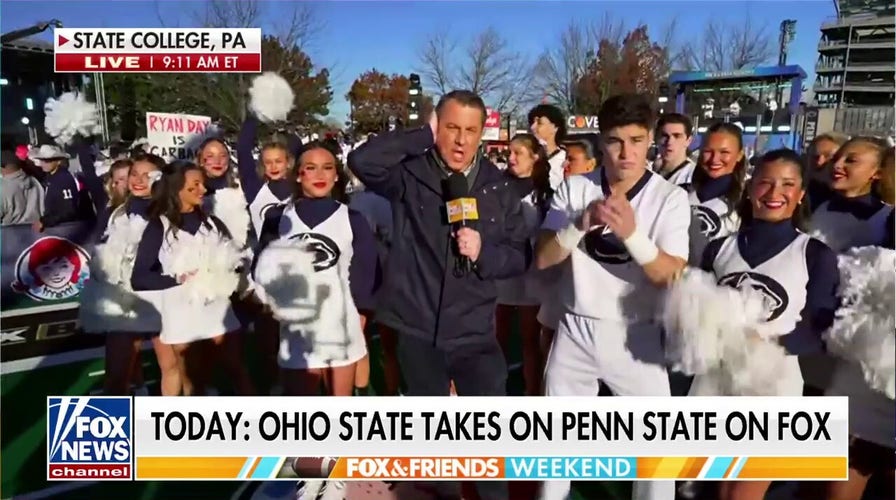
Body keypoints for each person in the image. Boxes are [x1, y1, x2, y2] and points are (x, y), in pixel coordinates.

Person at [348, 89, 528, 500]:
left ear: (483, 134)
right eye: (450, 128)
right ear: (436, 128)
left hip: (475, 333)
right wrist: (420, 136)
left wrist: (485, 252)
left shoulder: (500, 188)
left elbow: (520, 257)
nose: (461, 140)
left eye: (470, 130)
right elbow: (361, 162)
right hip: (418, 328)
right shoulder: (409, 173)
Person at [535, 94, 689, 500]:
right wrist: (579, 224)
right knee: (555, 451)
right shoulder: (574, 188)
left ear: (650, 139)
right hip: (577, 328)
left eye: (637, 141)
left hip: (636, 335)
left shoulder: (669, 197)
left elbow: (672, 274)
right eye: (616, 141)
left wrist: (633, 236)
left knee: (658, 458)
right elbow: (544, 258)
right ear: (601, 141)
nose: (627, 153)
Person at [694, 149, 839, 500]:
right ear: (749, 187)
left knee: (743, 494)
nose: (775, 194)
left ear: (801, 193)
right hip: (717, 382)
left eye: (787, 184)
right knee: (720, 490)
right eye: (765, 183)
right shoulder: (719, 248)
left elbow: (821, 328)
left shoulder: (814, 254)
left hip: (774, 387)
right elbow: (694, 311)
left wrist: (769, 345)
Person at [131, 161, 243, 396]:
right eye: (195, 185)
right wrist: (179, 279)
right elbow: (139, 278)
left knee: (237, 369)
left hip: (217, 309)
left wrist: (228, 271)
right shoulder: (158, 226)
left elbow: (235, 261)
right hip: (180, 313)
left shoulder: (213, 223)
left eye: (203, 183)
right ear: (177, 189)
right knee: (192, 381)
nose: (203, 189)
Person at [495, 133, 553, 396]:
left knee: (530, 341)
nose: (511, 158)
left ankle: (532, 395)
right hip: (502, 274)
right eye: (509, 152)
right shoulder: (497, 187)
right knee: (497, 340)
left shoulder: (545, 193)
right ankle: (493, 392)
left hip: (533, 277)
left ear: (535, 157)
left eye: (518, 153)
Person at [29, 144, 92, 230]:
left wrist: (46, 221)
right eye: (42, 160)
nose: (43, 163)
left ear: (58, 161)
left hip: (65, 229)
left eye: (48, 161)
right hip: (56, 227)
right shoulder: (49, 177)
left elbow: (69, 210)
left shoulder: (64, 179)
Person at [806, 132, 848, 212]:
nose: (819, 162)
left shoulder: (850, 198)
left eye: (828, 156)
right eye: (815, 157)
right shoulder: (799, 194)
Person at [528, 104, 567, 189]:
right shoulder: (524, 156)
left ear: (555, 127)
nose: (532, 127)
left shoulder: (565, 159)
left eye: (539, 123)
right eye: (532, 122)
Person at [1, 149, 43, 225]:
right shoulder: (35, 181)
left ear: (2, 168)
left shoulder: (2, 187)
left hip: (11, 234)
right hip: (36, 233)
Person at [653, 113, 696, 186]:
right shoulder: (648, 172)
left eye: (677, 136)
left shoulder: (693, 177)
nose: (669, 142)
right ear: (657, 138)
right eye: (664, 136)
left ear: (688, 141)